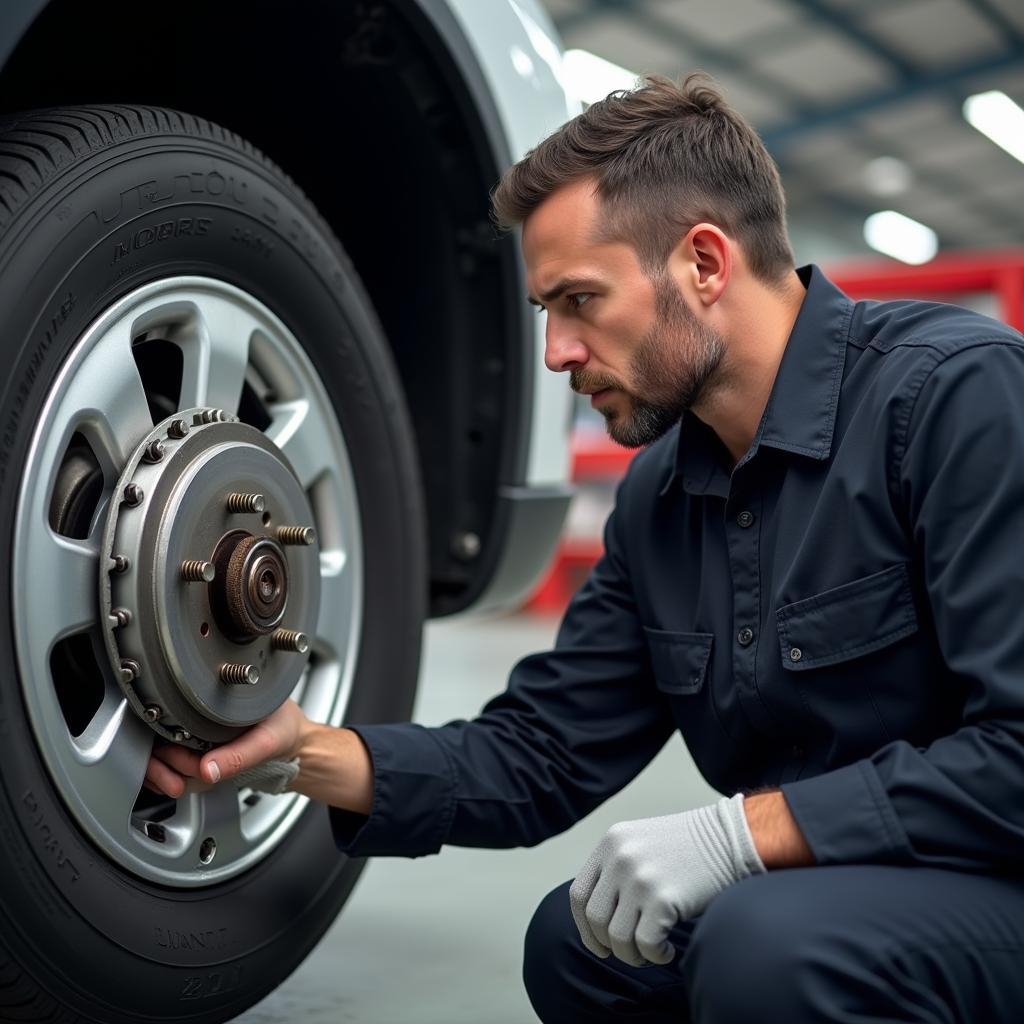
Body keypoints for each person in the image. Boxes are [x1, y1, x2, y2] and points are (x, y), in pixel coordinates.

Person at [147, 73, 1024, 1022]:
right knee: (580, 947)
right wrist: (303, 753)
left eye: (580, 300)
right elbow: (544, 753)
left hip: (992, 874)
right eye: (545, 315)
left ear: (703, 263)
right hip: (844, 887)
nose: (559, 351)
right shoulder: (662, 498)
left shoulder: (955, 399)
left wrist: (746, 834)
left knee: (765, 948)